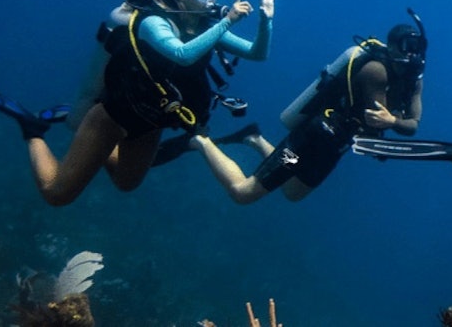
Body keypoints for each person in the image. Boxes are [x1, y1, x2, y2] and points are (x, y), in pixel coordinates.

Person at [0, 0, 275, 205]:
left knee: (126, 183)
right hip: (114, 114)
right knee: (57, 194)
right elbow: (181, 55)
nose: (211, 0)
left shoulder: (205, 26)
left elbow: (256, 53)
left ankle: (88, 145)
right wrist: (228, 21)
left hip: (152, 120)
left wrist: (265, 21)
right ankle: (33, 131)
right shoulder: (153, 22)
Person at [180, 17, 425, 204]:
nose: (412, 53)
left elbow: (412, 125)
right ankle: (202, 141)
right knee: (244, 193)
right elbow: (375, 121)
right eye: (406, 46)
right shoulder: (376, 71)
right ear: (392, 47)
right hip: (312, 137)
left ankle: (254, 138)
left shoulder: (414, 80)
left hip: (335, 146)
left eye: (417, 47)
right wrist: (394, 122)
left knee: (292, 191)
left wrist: (393, 121)